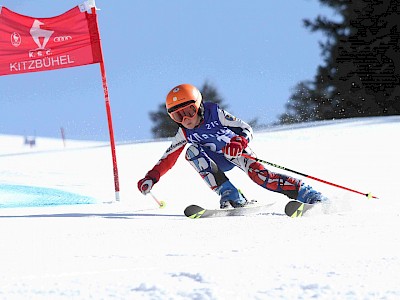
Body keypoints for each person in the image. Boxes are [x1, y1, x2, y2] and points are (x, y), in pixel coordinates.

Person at [137, 83, 326, 209]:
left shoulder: (215, 113)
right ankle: (231, 194)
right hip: (216, 160)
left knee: (262, 178)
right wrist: (151, 178)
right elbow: (168, 159)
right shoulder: (184, 133)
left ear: (199, 106)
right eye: (178, 116)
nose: (186, 119)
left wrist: (238, 142)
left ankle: (308, 194)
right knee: (191, 152)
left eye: (189, 111)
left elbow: (247, 129)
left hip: (236, 151)